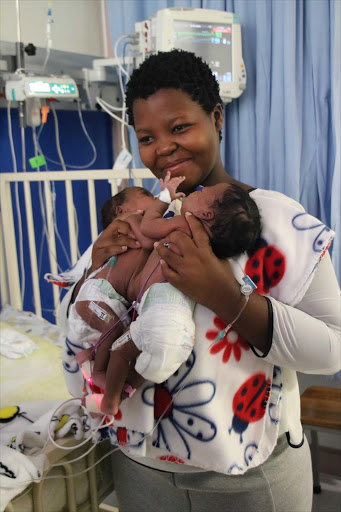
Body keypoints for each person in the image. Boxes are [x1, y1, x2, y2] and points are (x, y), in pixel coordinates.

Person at [61, 49, 340, 512]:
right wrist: (94, 269)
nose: (163, 147)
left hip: (252, 476)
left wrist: (225, 296)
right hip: (140, 468)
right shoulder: (132, 217)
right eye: (146, 136)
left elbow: (331, 348)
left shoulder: (279, 223)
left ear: (215, 117)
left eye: (178, 127)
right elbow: (75, 335)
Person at [67, 171, 261, 411]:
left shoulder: (183, 223)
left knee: (122, 348)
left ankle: (106, 387)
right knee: (134, 348)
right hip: (169, 318)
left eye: (203, 193)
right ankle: (123, 388)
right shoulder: (206, 246)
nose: (198, 190)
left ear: (206, 214)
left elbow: (149, 229)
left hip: (157, 307)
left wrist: (164, 197)